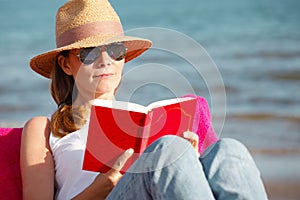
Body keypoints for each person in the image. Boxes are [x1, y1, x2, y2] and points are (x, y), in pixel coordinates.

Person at [20, 0, 268, 199]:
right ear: (65, 64)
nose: (105, 61)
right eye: (89, 53)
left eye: (115, 51)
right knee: (167, 149)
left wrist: (189, 161)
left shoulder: (141, 116)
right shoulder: (44, 128)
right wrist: (103, 186)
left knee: (229, 150)